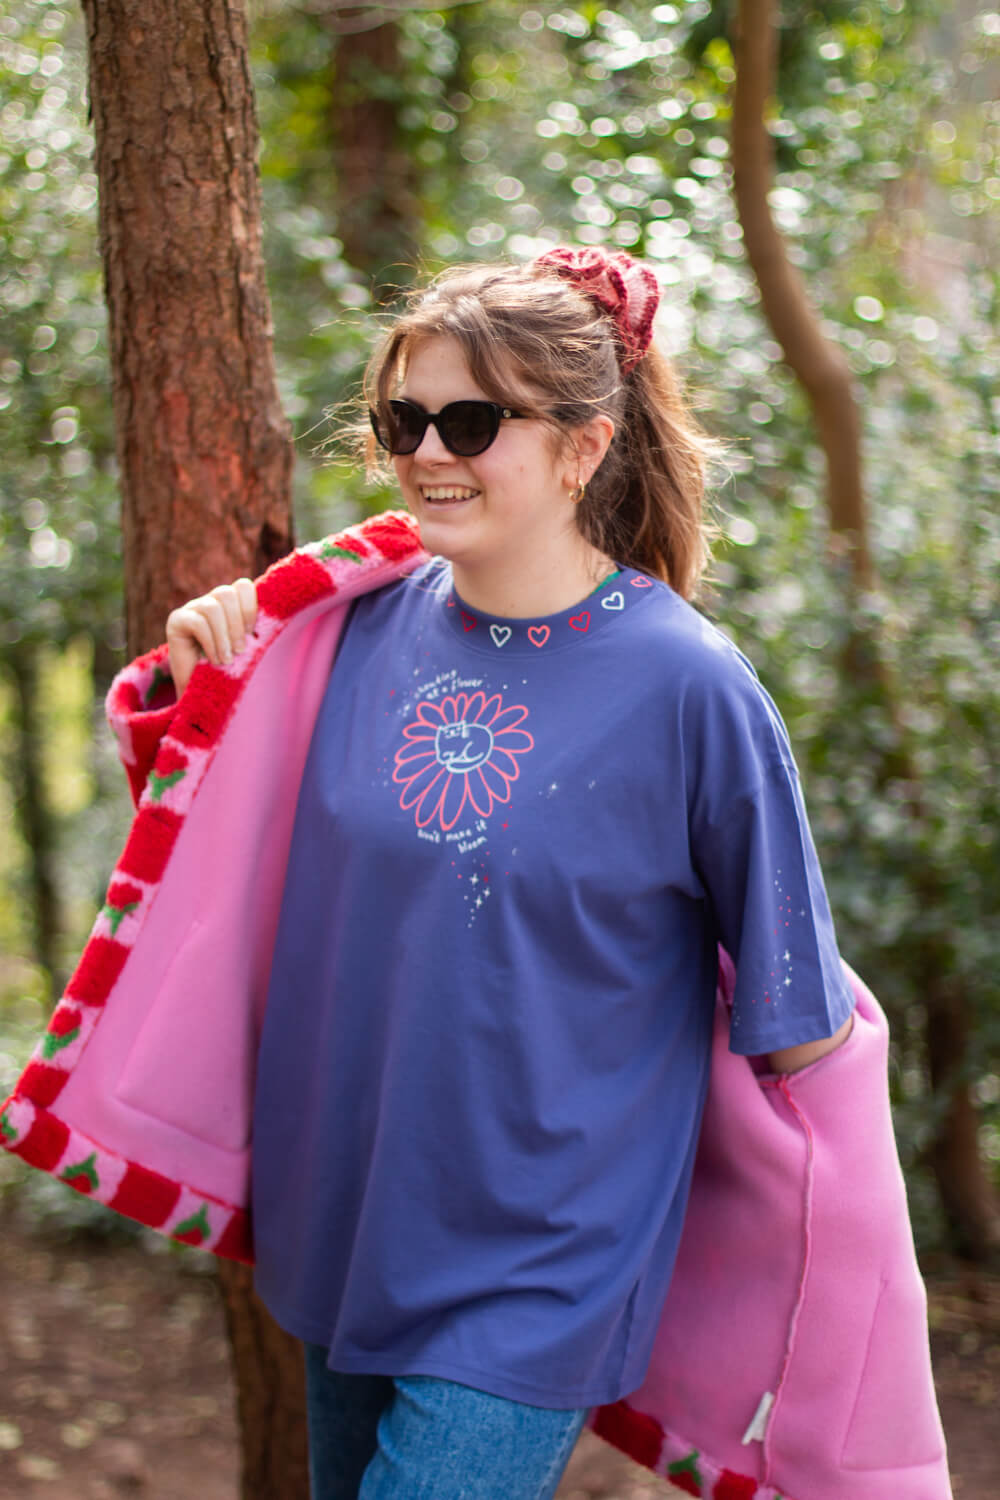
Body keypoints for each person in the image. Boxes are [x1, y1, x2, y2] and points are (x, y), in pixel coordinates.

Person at [165, 247, 855, 1500]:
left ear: (584, 448)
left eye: (473, 423)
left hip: (542, 1266)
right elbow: (223, 880)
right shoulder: (340, 630)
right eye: (406, 421)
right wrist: (206, 680)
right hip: (344, 1220)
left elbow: (800, 1031)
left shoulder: (689, 688)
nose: (430, 453)